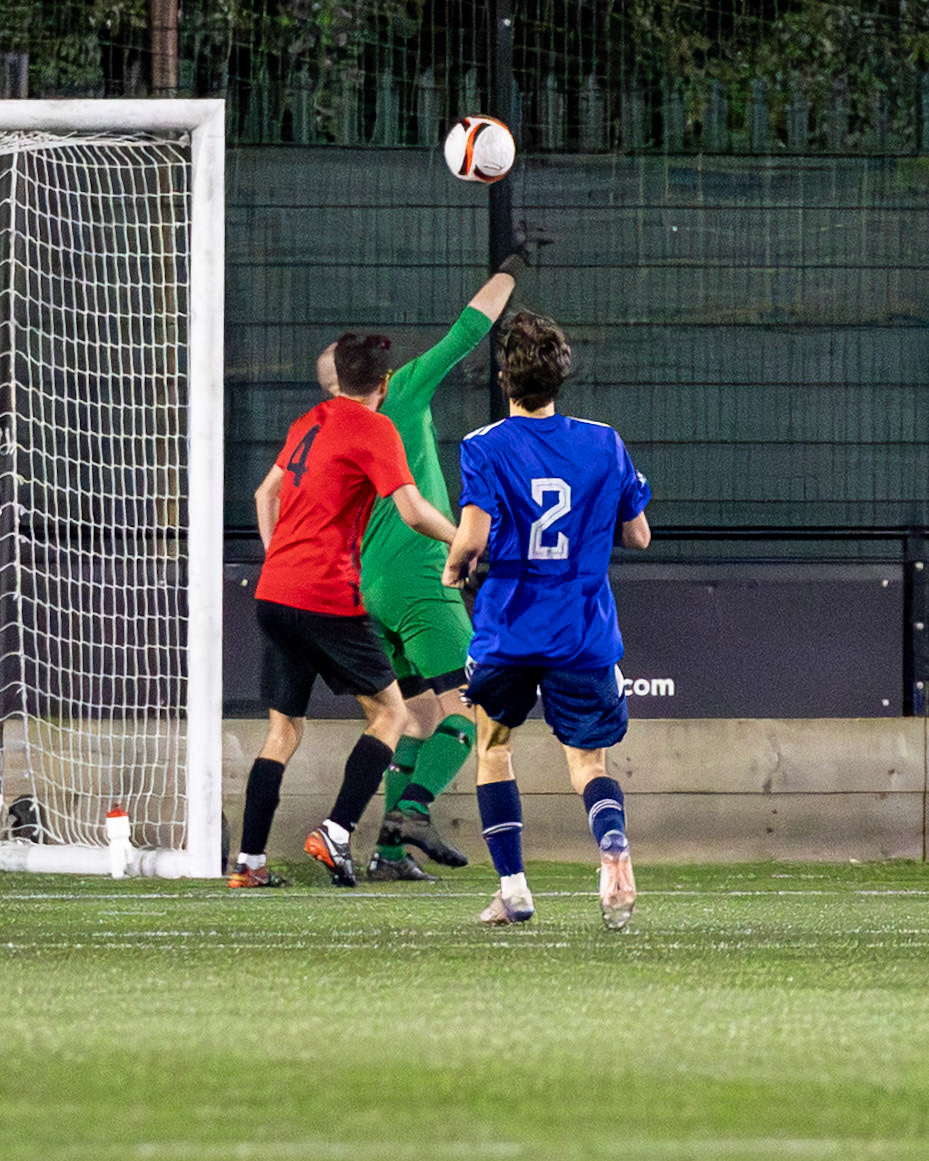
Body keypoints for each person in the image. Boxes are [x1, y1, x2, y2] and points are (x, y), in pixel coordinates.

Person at [317, 240, 543, 882]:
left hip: (367, 588)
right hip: (420, 578)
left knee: (415, 719)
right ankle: (413, 811)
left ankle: (388, 855)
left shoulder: (324, 427)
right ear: (378, 377)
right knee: (476, 710)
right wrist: (512, 270)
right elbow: (468, 330)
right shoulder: (403, 393)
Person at [441, 310, 652, 929]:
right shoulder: (604, 442)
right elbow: (638, 535)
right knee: (588, 766)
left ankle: (513, 889)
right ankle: (612, 843)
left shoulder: (484, 445)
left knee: (494, 750)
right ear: (561, 377)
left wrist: (453, 570)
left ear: (504, 378)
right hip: (582, 632)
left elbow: (472, 537)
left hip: (510, 630)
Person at [228, 333, 458, 890]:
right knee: (393, 715)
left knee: (282, 731)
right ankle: (336, 831)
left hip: (275, 593)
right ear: (384, 383)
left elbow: (264, 495)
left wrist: (279, 557)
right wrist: (465, 541)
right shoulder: (376, 428)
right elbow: (412, 510)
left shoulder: (309, 421)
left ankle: (250, 863)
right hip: (326, 596)